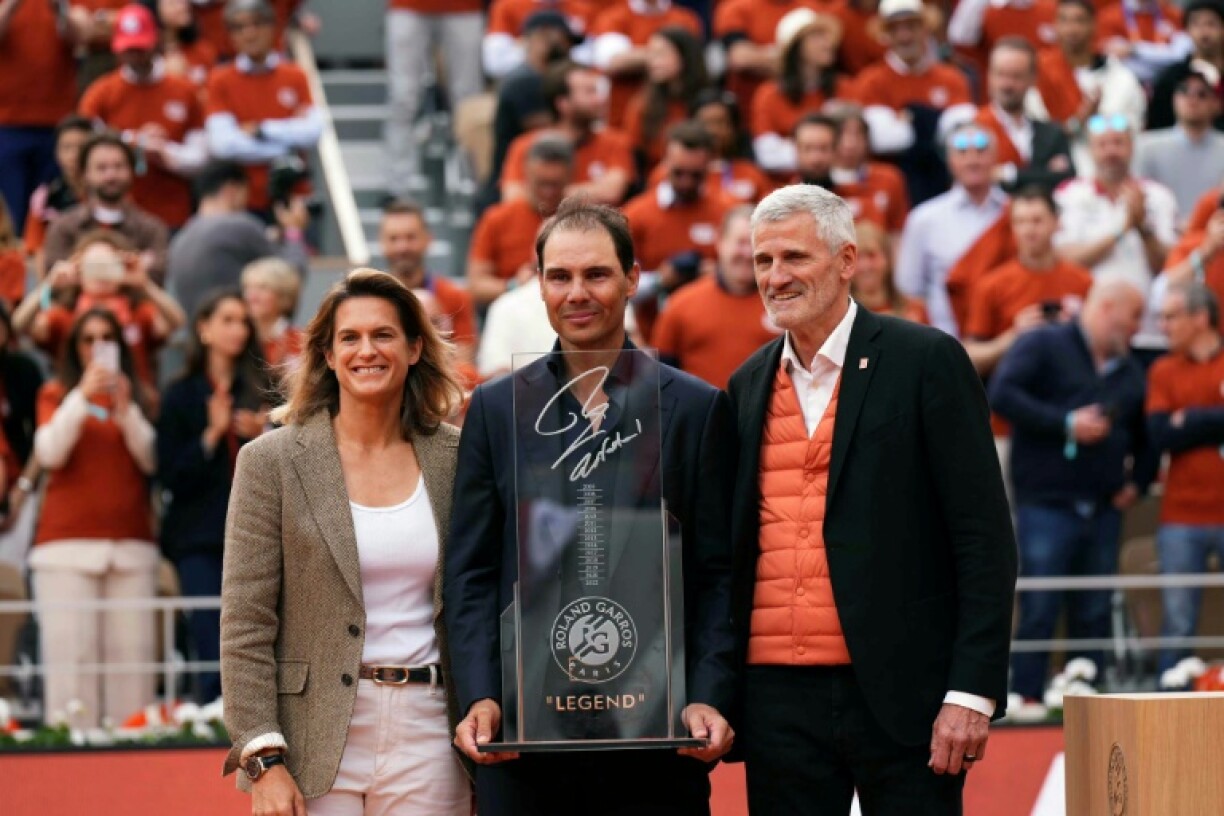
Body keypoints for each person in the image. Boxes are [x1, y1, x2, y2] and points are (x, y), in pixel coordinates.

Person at [727, 184, 1017, 813]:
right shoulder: (746, 384)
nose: (776, 277)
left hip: (906, 694)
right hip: (776, 699)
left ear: (848, 260)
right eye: (762, 261)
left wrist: (971, 692)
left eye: (795, 258)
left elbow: (984, 538)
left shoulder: (927, 361)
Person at [446, 198, 737, 814]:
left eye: (597, 274)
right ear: (539, 284)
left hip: (657, 731)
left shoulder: (695, 408)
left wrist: (708, 693)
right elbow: (469, 573)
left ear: (633, 278)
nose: (577, 293)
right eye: (560, 276)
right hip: (523, 734)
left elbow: (718, 573)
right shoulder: (496, 410)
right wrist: (481, 695)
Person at [220, 269, 471, 813]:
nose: (367, 351)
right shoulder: (270, 462)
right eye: (349, 338)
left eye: (383, 335)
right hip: (312, 736)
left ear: (414, 347)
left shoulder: (459, 458)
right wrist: (262, 757)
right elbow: (245, 623)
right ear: (328, 356)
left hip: (429, 731)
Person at [990, 279, 1156, 716]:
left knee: (1095, 608)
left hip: (1102, 507)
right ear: (1106, 308)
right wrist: (1064, 422)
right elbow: (1001, 393)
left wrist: (1138, 481)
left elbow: (1146, 434)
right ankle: (1025, 700)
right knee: (1041, 605)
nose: (1139, 328)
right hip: (1047, 502)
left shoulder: (1130, 370)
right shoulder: (1045, 343)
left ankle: (1093, 704)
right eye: (1134, 316)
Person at [29, 307, 159, 727]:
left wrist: (125, 409)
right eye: (88, 339)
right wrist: (81, 397)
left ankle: (134, 749)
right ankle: (68, 752)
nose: (97, 347)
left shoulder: (137, 396)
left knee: (133, 661)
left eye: (107, 338)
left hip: (131, 544)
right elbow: (50, 452)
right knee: (71, 662)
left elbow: (151, 459)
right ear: (75, 348)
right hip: (66, 546)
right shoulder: (54, 393)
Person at [159, 291, 270, 705]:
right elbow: (168, 473)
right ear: (203, 329)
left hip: (257, 532)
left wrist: (264, 434)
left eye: (243, 321)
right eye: (227, 319)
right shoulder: (180, 394)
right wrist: (210, 435)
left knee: (256, 626)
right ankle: (208, 709)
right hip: (199, 535)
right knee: (208, 625)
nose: (238, 329)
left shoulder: (261, 390)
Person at [1145, 282, 1224, 674]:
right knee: (1176, 624)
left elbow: (1177, 428)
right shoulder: (1162, 369)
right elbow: (1159, 433)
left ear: (1201, 318)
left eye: (1171, 316)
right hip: (1180, 517)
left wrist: (1189, 418)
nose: (1162, 325)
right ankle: (1167, 705)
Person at [1054, 115, 1178, 354]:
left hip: (1149, 330)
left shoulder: (1159, 195)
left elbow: (1171, 267)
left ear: (1132, 147)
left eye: (1118, 143)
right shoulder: (1069, 195)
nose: (1111, 151)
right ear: (1090, 150)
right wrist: (1122, 229)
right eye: (1102, 144)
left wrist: (1143, 229)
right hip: (1086, 329)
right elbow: (1066, 261)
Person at [78, 3, 209, 230]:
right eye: (129, 50)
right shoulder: (100, 95)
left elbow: (201, 156)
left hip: (173, 213)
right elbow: (85, 154)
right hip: (116, 217)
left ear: (155, 42)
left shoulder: (184, 91)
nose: (135, 57)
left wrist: (164, 151)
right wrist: (133, 143)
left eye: (141, 48)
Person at [15, 230, 185, 397]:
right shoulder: (64, 316)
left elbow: (177, 321)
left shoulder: (139, 313)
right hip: (75, 407)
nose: (101, 275)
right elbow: (18, 325)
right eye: (93, 266)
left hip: (132, 405)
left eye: (108, 266)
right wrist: (50, 284)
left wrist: (145, 284)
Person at [205, 0, 323, 218]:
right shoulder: (220, 80)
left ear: (273, 27)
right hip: (241, 203)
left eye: (257, 24)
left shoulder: (295, 75)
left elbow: (313, 131)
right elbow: (223, 145)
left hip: (293, 198)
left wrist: (262, 131)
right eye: (239, 28)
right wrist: (286, 145)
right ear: (231, 36)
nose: (250, 34)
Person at [852, 0, 975, 204]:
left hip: (944, 181)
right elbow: (883, 140)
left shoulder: (952, 78)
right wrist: (935, 121)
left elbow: (962, 133)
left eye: (911, 26)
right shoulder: (871, 81)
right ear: (886, 35)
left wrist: (910, 119)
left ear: (924, 29)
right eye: (895, 29)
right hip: (893, 186)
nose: (904, 36)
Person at [963, 187, 1093, 379]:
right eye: (1020, 222)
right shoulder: (991, 285)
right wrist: (1014, 335)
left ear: (1056, 223)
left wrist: (1073, 329)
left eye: (1037, 220)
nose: (1029, 230)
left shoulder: (1083, 281)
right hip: (1011, 391)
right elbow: (969, 358)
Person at [896, 121, 1009, 336]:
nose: (973, 160)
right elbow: (909, 291)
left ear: (996, 157)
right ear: (950, 160)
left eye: (981, 151)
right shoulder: (924, 219)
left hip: (1008, 340)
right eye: (963, 152)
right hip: (947, 343)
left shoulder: (1015, 214)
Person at [652, 205, 782, 389]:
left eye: (755, 245)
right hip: (700, 415)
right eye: (741, 242)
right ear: (720, 241)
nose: (747, 253)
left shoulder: (784, 305)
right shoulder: (681, 304)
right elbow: (660, 377)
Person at [168, 160, 308, 320]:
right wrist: (293, 231)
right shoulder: (239, 226)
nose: (246, 204)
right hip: (238, 336)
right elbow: (292, 274)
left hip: (200, 335)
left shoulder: (180, 238)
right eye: (245, 195)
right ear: (232, 190)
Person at [1028, 0, 1147, 180]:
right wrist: (1080, 120)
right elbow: (1040, 135)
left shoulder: (1120, 77)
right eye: (1064, 21)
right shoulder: (1041, 73)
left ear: (1093, 25)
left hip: (1113, 171)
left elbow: (1132, 128)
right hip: (1062, 174)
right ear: (1055, 26)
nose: (1071, 29)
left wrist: (1099, 119)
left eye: (1079, 21)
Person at [0, 0, 86, 235]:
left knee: (54, 208)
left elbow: (82, 39)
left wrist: (60, 9)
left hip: (57, 126)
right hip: (8, 124)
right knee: (10, 210)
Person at [500, 60, 636, 207]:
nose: (599, 100)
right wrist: (587, 191)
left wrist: (547, 194)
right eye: (590, 92)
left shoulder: (615, 141)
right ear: (562, 104)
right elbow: (512, 198)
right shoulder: (525, 146)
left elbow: (611, 192)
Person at [385, 0, 485, 200]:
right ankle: (396, 188)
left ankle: (476, 185)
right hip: (408, 6)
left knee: (468, 100)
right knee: (403, 97)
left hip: (464, 7)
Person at [43, 133, 170, 283]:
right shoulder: (63, 227)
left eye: (118, 166)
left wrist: (83, 269)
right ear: (85, 173)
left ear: (131, 171)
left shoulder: (152, 229)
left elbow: (159, 277)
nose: (111, 175)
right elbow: (54, 281)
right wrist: (131, 267)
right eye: (101, 168)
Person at [468, 135, 572, 307]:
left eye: (555, 184)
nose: (548, 192)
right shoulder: (497, 218)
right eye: (541, 184)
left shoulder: (584, 217)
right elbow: (476, 286)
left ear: (569, 177)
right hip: (514, 308)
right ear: (526, 174)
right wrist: (516, 285)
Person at [750, 8, 854, 175]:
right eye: (816, 36)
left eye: (826, 36)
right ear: (795, 48)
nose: (828, 43)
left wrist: (793, 146)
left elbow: (854, 147)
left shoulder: (845, 87)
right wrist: (826, 150)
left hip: (840, 181)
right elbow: (768, 155)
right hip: (787, 187)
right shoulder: (769, 95)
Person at [622, 121, 733, 274]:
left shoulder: (726, 213)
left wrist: (721, 274)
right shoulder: (635, 215)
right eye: (679, 173)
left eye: (696, 175)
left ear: (710, 165)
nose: (686, 183)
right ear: (664, 161)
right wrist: (659, 280)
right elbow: (620, 283)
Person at [974, 38, 1076, 193]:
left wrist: (1010, 174)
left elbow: (1066, 179)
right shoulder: (975, 127)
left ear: (1033, 79)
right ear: (989, 75)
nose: (1007, 84)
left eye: (1016, 76)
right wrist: (1043, 173)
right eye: (1000, 74)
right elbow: (977, 178)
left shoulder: (1051, 133)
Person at [380, 201, 477, 363]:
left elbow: (464, 364)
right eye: (393, 238)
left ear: (428, 239)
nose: (402, 247)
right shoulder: (371, 300)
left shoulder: (456, 297)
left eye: (411, 237)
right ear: (382, 243)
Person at [589, 0, 703, 129]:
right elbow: (611, 62)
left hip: (680, 101)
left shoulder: (685, 18)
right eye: (657, 55)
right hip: (623, 114)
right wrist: (667, 53)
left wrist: (637, 55)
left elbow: (694, 59)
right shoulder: (614, 17)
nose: (656, 62)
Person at [1135, 67, 1224, 222]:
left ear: (1217, 104)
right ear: (1174, 98)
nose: (1192, 99)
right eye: (1184, 91)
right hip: (1160, 234)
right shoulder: (1146, 147)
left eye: (1202, 94)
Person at [623, 26, 710, 170]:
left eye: (661, 54)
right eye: (651, 55)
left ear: (685, 56)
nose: (653, 62)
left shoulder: (708, 102)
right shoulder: (643, 105)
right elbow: (634, 156)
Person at [23, 116, 95, 270]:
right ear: (56, 152)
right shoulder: (45, 197)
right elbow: (37, 248)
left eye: (81, 147)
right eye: (66, 147)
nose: (74, 155)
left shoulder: (108, 193)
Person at [831, 111, 911, 244]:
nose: (850, 143)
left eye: (858, 135)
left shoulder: (889, 178)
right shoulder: (815, 180)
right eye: (842, 134)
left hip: (877, 258)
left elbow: (898, 231)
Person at [1148, 0, 1224, 132]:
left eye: (1211, 24)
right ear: (1186, 30)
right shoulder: (1172, 78)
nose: (1204, 32)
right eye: (1196, 24)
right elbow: (1158, 125)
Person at [849, 219, 928, 324]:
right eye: (857, 258)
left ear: (887, 259)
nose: (864, 266)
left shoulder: (914, 310)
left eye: (871, 255)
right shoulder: (839, 318)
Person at [1096, 0, 1191, 86]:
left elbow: (1179, 57)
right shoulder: (1108, 17)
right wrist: (1162, 57)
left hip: (1168, 84)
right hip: (1124, 86)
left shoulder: (1174, 15)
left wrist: (1135, 49)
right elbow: (1115, 61)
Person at [240, 257, 302, 372]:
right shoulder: (237, 340)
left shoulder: (299, 343)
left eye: (262, 287)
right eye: (248, 287)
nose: (252, 296)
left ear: (283, 296)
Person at [154, 0, 220, 88]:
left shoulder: (202, 49)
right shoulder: (149, 55)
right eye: (172, 3)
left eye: (183, 1)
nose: (182, 7)